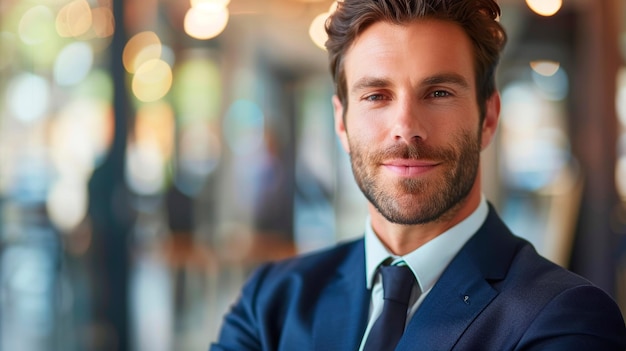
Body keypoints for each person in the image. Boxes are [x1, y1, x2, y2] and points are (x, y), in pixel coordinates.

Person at [210, 0, 626, 350]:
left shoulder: (565, 318)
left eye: (439, 93)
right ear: (342, 122)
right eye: (376, 95)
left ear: (488, 118)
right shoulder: (272, 302)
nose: (406, 127)